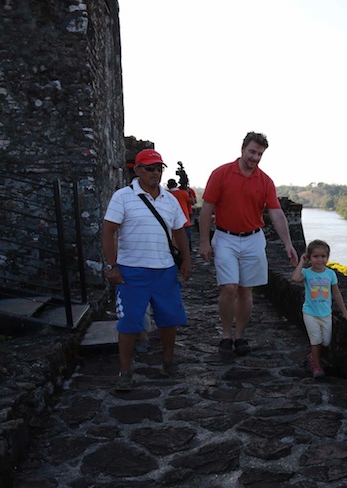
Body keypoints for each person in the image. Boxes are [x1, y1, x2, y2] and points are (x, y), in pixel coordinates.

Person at [199, 132, 299, 359]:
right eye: (252, 152)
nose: (255, 157)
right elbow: (206, 209)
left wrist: (288, 244)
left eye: (260, 154)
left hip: (253, 238)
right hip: (225, 237)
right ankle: (226, 334)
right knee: (229, 288)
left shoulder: (265, 181)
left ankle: (239, 336)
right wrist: (205, 241)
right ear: (243, 149)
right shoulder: (221, 173)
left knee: (246, 291)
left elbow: (276, 213)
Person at [102, 149, 191, 391]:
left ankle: (168, 362)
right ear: (137, 170)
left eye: (159, 168)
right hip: (132, 271)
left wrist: (186, 260)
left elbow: (179, 231)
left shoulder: (170, 200)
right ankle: (126, 371)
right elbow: (108, 230)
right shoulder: (122, 197)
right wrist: (113, 266)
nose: (155, 173)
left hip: (164, 270)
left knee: (169, 320)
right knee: (129, 323)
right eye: (149, 168)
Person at [291, 239, 347, 378]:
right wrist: (302, 262)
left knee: (325, 341)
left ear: (327, 257)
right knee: (315, 340)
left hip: (326, 313)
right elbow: (295, 278)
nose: (320, 260)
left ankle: (313, 357)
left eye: (323, 256)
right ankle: (317, 367)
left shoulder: (330, 274)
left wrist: (344, 311)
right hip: (310, 313)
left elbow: (336, 293)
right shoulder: (307, 273)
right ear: (309, 257)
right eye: (315, 256)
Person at [167, 178, 194, 252]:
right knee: (186, 239)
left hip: (171, 221)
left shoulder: (167, 194)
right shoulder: (183, 193)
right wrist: (189, 192)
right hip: (185, 220)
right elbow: (192, 202)